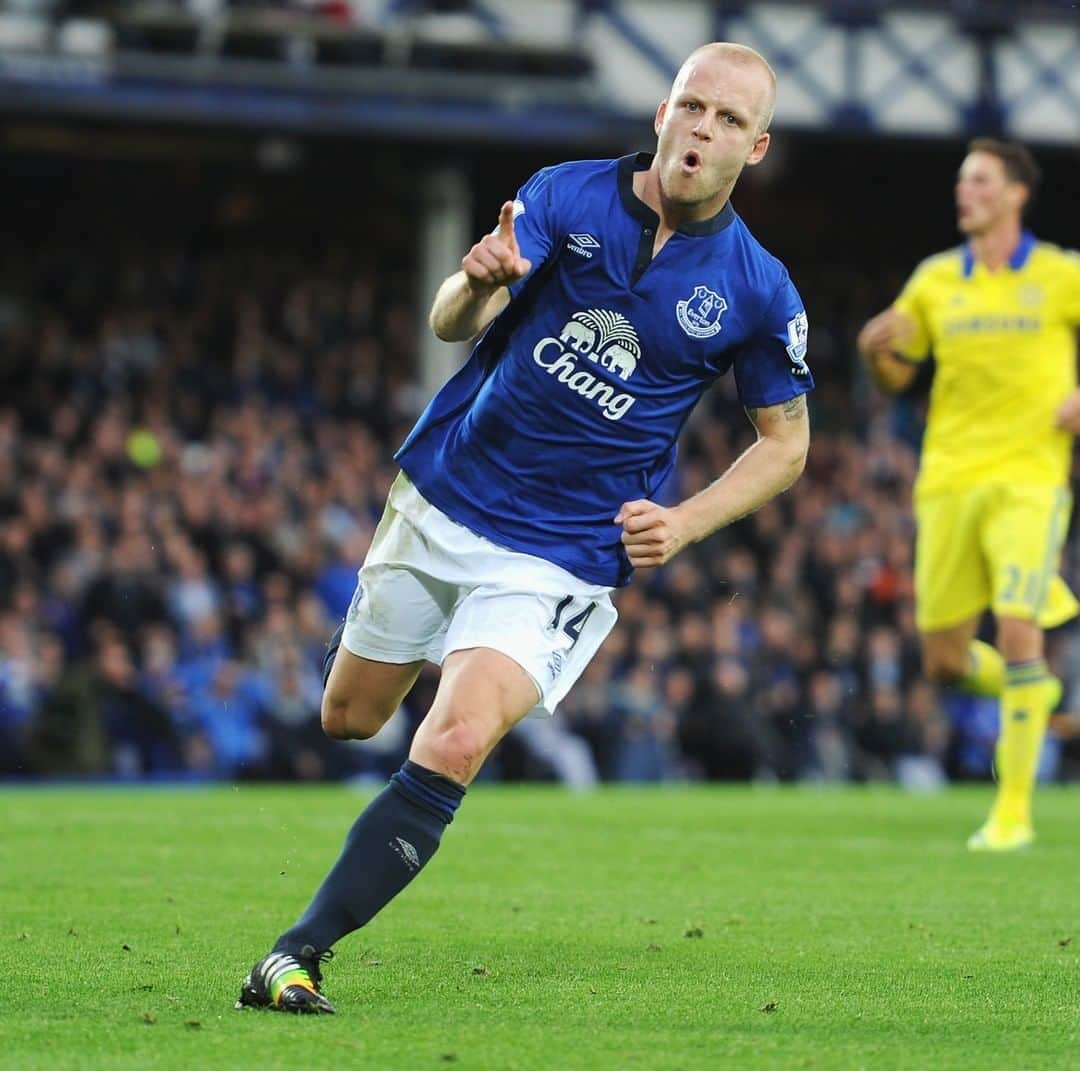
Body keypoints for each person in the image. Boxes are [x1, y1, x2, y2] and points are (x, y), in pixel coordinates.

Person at [237, 41, 813, 1014]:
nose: (700, 130)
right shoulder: (567, 195)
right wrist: (473, 279)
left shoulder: (758, 289)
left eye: (725, 120)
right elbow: (451, 323)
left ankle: (294, 954)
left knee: (455, 738)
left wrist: (689, 520)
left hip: (565, 553)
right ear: (661, 115)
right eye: (690, 106)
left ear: (755, 149)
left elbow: (785, 442)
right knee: (350, 718)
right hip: (447, 495)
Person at [857, 137, 1080, 853]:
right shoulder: (934, 280)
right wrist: (873, 354)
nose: (965, 192)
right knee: (944, 661)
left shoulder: (1059, 274)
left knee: (1019, 625)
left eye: (980, 180)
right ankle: (1033, 692)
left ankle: (1011, 811)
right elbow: (900, 377)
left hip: (1029, 478)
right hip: (948, 477)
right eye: (961, 181)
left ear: (1017, 193)